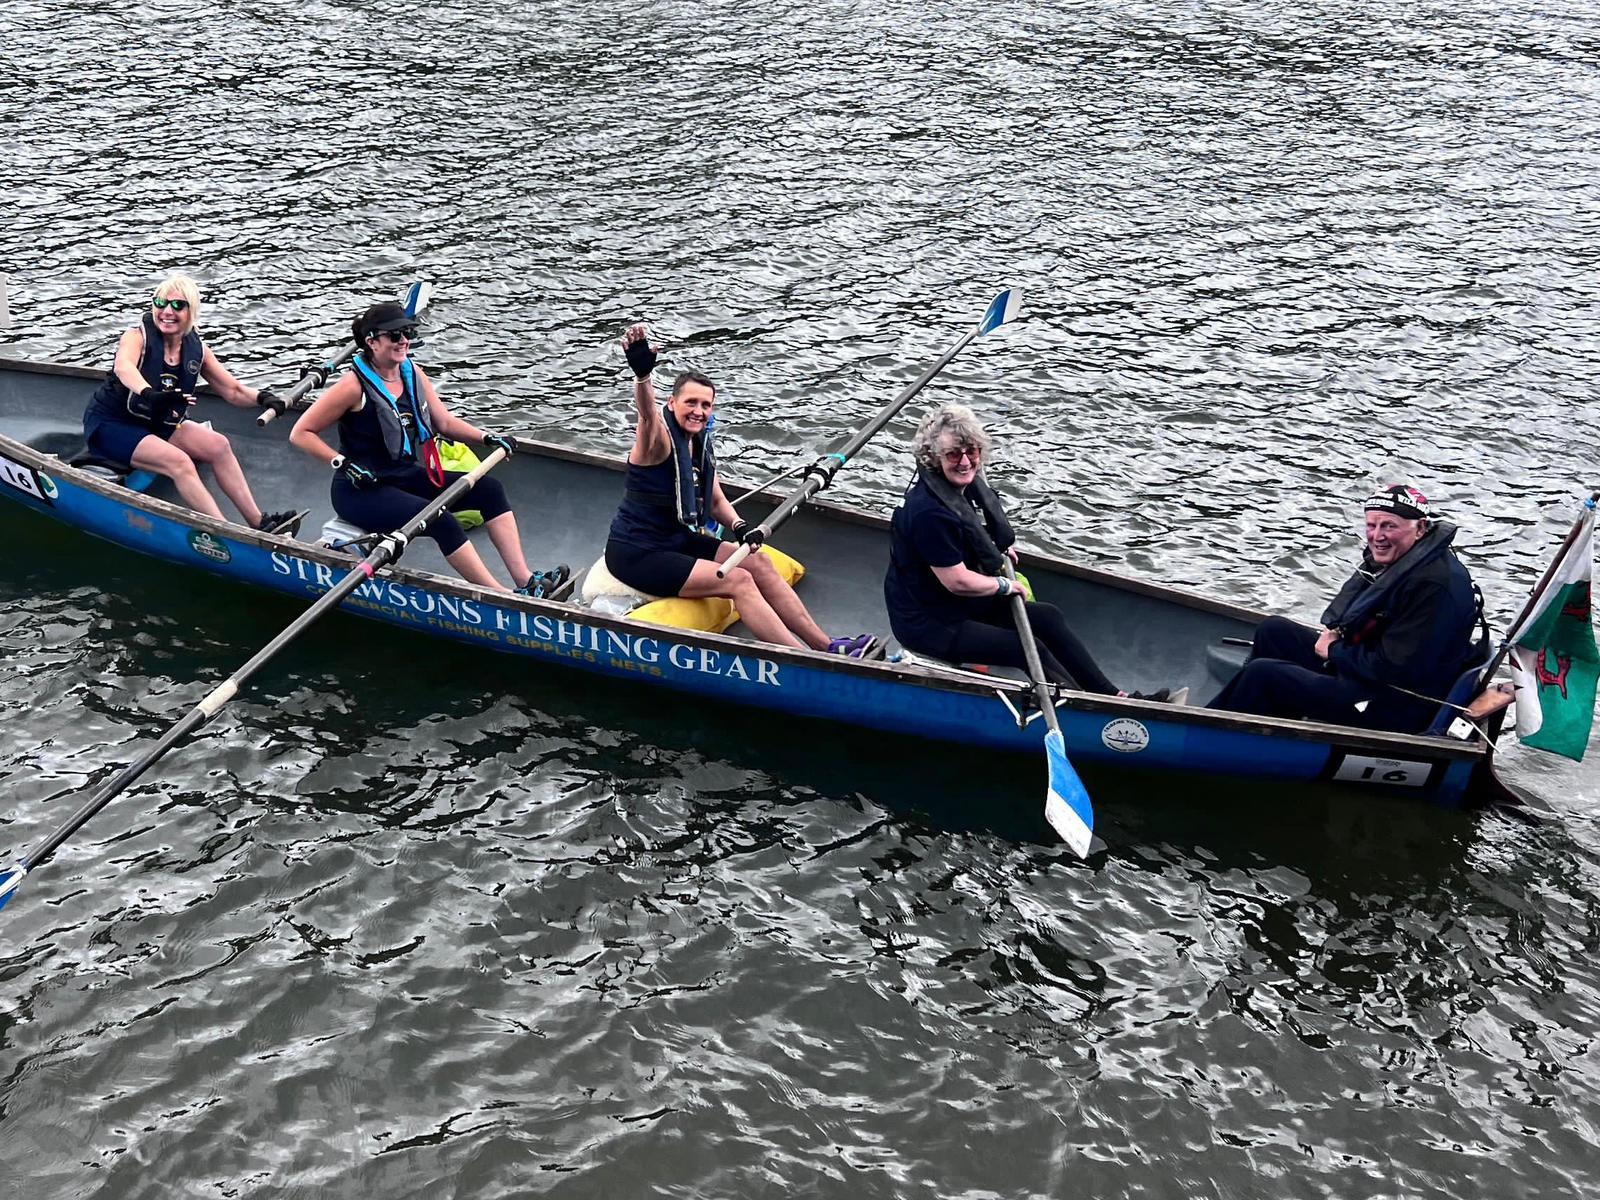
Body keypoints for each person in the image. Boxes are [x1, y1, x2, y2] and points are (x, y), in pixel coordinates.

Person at [602, 323, 877, 656]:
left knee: (758, 562)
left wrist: (740, 527)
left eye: (706, 405)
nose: (699, 411)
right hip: (637, 552)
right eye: (691, 403)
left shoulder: (697, 443)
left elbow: (715, 499)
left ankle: (828, 646)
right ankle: (806, 659)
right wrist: (643, 376)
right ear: (672, 403)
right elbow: (647, 416)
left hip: (676, 540)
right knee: (739, 580)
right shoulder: (657, 442)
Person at [883, 403, 1172, 700]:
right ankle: (1089, 708)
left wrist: (991, 548)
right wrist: (1004, 585)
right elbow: (956, 581)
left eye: (972, 451)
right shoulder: (928, 513)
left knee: (1048, 618)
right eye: (954, 454)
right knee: (1025, 647)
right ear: (933, 458)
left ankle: (1115, 696)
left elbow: (966, 534)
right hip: (929, 623)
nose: (966, 461)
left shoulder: (957, 489)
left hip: (956, 606)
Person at [289, 301, 553, 594]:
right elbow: (301, 433)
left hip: (402, 475)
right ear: (372, 342)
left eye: (407, 333)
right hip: (360, 490)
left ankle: (525, 581)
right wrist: (343, 464)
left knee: (490, 490)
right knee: (441, 520)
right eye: (395, 335)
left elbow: (444, 422)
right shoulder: (352, 387)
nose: (404, 340)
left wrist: (487, 438)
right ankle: (500, 595)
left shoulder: (412, 372)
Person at [1209, 484, 1485, 732]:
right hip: (1373, 681)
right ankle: (1265, 724)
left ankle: (1209, 733)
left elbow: (1393, 670)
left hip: (1395, 705)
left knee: (1264, 674)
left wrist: (1335, 650)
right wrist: (1339, 645)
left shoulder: (1432, 587)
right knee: (1274, 631)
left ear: (1421, 528)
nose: (1377, 536)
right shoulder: (1414, 562)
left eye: (1389, 526)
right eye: (1372, 525)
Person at [81, 272, 298, 533]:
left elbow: (233, 391)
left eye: (177, 305)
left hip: (156, 424)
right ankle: (226, 531)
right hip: (112, 424)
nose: (167, 312)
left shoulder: (198, 350)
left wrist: (264, 398)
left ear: (191, 311)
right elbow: (123, 367)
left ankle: (260, 522)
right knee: (179, 462)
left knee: (219, 445)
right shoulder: (136, 337)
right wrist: (149, 393)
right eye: (160, 303)